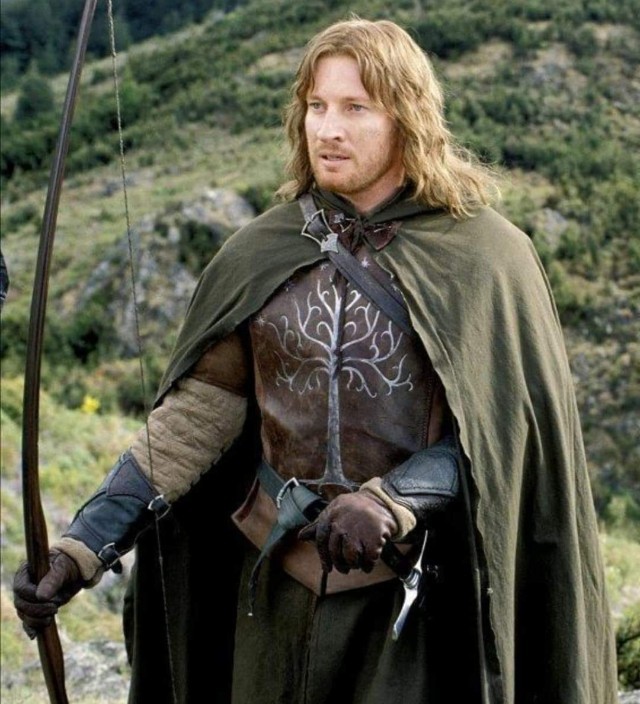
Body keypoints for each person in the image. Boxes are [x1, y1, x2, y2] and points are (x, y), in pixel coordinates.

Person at [14, 17, 617, 704]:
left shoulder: (485, 257)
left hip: (416, 606)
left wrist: (393, 501)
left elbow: (504, 437)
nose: (328, 129)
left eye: (356, 108)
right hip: (271, 591)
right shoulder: (261, 251)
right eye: (317, 106)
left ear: (407, 118)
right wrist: (81, 548)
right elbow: (198, 415)